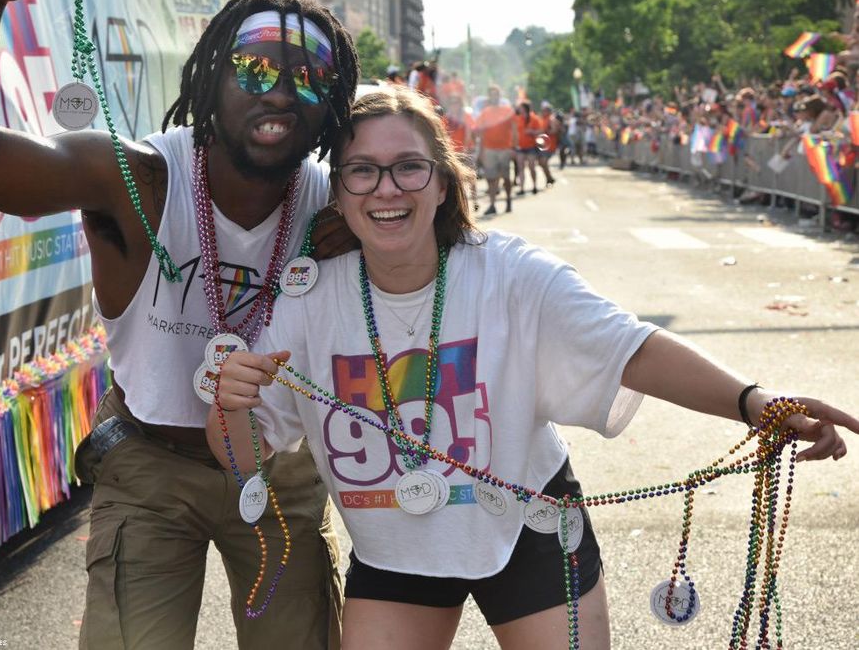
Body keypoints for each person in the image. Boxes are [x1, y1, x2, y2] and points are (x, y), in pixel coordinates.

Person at [206, 86, 858, 649]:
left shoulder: (513, 274)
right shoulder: (307, 301)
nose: (387, 188)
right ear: (339, 191)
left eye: (409, 167)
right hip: (395, 551)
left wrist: (754, 402)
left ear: (442, 182)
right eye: (362, 171)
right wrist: (230, 405)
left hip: (531, 529)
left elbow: (631, 348)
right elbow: (243, 453)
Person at [0, 0, 360, 648]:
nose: (282, 94)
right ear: (213, 75)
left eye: (311, 77)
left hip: (279, 467)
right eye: (255, 68)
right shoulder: (136, 179)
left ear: (334, 101)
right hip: (151, 466)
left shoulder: (342, 205)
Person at [474, 85, 517, 216]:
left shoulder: (507, 110)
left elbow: (514, 131)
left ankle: (508, 200)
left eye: (496, 94)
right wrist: (481, 151)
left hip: (504, 149)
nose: (494, 97)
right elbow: (480, 132)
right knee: (491, 178)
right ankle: (492, 204)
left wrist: (514, 148)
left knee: (506, 177)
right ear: (489, 97)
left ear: (499, 96)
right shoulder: (485, 112)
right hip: (489, 149)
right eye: (492, 94)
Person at [513, 102, 540, 195]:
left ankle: (534, 186)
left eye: (520, 108)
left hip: (531, 147)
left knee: (532, 167)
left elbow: (540, 131)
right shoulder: (517, 118)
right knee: (521, 168)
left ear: (525, 108)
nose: (519, 109)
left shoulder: (534, 118)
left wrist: (532, 131)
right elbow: (514, 132)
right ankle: (522, 188)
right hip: (520, 147)